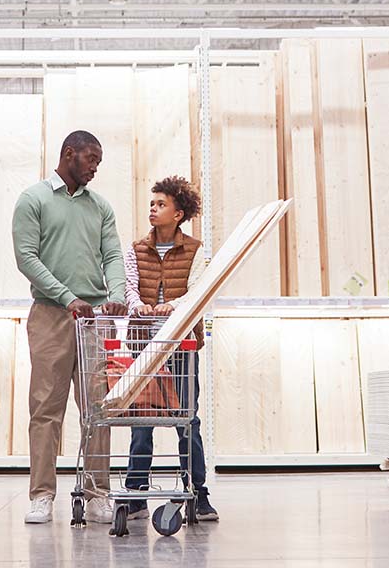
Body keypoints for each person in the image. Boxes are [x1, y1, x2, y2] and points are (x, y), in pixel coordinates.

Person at [12, 130, 128, 526]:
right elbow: (26, 258)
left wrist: (116, 292)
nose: (96, 167)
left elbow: (112, 253)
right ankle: (42, 495)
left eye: (99, 160)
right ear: (69, 154)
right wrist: (66, 297)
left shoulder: (101, 207)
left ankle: (98, 493)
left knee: (98, 408)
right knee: (46, 409)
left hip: (94, 319)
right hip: (50, 315)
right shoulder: (34, 199)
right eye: (90, 158)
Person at [121, 176, 219, 522]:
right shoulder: (135, 248)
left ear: (178, 213)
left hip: (182, 343)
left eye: (161, 204)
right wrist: (139, 307)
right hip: (144, 342)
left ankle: (198, 492)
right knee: (141, 420)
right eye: (151, 204)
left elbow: (197, 291)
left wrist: (172, 305)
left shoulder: (195, 250)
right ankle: (135, 495)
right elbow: (129, 286)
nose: (153, 209)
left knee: (187, 420)